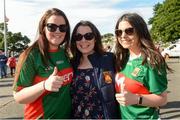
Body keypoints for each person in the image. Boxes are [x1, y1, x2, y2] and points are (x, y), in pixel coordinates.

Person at [13, 8, 73, 119]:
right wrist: (44, 85)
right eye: (52, 27)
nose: (58, 31)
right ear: (43, 28)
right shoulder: (31, 55)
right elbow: (18, 96)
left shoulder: (65, 53)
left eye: (62, 27)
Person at [114, 13, 172, 119]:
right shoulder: (121, 58)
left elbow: (162, 99)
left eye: (129, 31)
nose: (123, 36)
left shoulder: (152, 61)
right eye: (119, 32)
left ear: (140, 31)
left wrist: (136, 99)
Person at [70, 20, 119, 119]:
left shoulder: (109, 59)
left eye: (88, 36)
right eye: (78, 37)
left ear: (95, 38)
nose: (83, 40)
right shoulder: (71, 64)